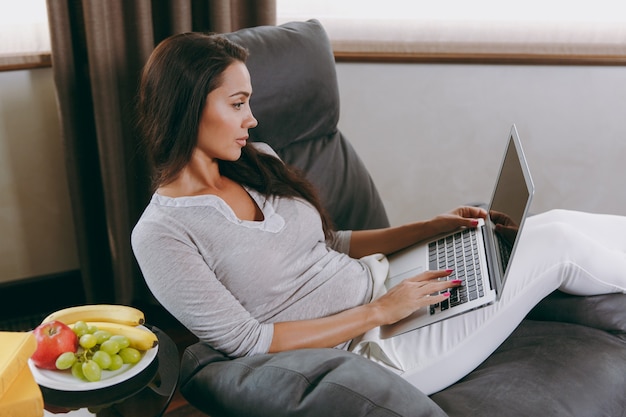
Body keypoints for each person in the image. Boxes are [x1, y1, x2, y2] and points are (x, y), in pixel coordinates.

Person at [131, 32, 626, 395]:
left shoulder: (255, 162)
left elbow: (329, 244)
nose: (252, 118)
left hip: (389, 286)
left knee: (554, 222)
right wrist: (379, 313)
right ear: (189, 106)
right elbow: (247, 341)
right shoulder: (163, 234)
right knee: (558, 248)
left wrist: (433, 225)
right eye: (238, 103)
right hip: (373, 350)